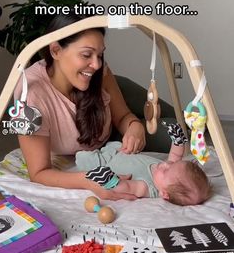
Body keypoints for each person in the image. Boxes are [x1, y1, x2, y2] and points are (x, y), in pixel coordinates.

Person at [13, 12, 148, 201]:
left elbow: (123, 116)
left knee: (174, 121)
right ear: (56, 51)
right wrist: (89, 180)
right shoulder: (31, 93)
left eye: (100, 55)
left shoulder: (100, 72)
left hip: (115, 95)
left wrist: (134, 125)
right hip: (108, 141)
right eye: (86, 54)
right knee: (167, 138)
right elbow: (39, 173)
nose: (97, 64)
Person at [75, 123, 212, 206]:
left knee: (82, 157)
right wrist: (177, 141)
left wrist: (110, 180)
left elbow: (128, 187)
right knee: (119, 143)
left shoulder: (147, 187)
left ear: (164, 194)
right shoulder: (169, 174)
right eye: (170, 165)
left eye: (166, 171)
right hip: (120, 151)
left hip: (106, 163)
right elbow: (176, 156)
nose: (165, 164)